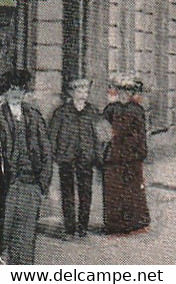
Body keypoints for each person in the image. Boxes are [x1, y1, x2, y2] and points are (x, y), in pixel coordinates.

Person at [0, 70, 52, 262]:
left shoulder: (34, 116)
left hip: (31, 187)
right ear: (5, 91)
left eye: (20, 89)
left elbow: (46, 151)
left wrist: (42, 184)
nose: (16, 93)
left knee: (25, 241)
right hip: (7, 187)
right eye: (12, 89)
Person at [47, 78, 101, 239]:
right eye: (80, 90)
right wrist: (55, 154)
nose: (84, 93)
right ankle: (69, 229)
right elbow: (52, 135)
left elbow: (99, 137)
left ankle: (82, 228)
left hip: (86, 158)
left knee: (85, 193)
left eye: (86, 91)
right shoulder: (61, 112)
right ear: (72, 93)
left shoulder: (93, 112)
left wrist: (98, 158)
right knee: (67, 193)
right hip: (66, 158)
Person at [102, 78, 150, 234]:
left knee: (124, 189)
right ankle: (126, 223)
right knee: (125, 189)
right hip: (125, 155)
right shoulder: (128, 110)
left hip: (122, 154)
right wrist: (141, 153)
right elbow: (141, 135)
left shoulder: (117, 109)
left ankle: (122, 224)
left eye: (127, 91)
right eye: (122, 91)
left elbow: (102, 132)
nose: (124, 94)